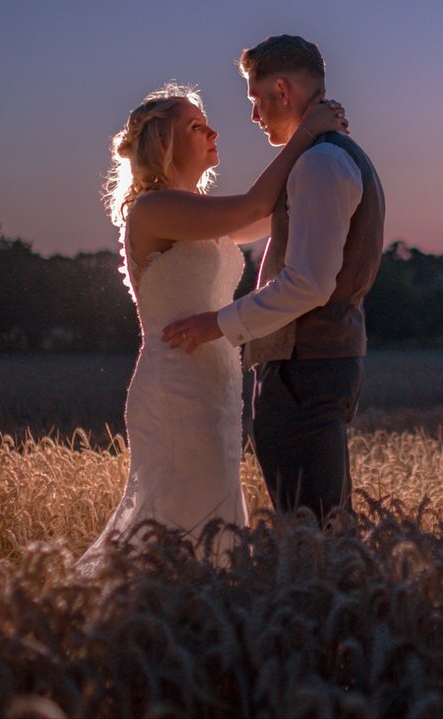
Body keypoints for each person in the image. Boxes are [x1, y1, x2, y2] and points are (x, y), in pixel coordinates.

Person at [77, 82, 347, 572]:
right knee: (179, 519)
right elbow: (252, 206)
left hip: (216, 385)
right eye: (196, 126)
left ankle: (194, 618)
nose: (213, 131)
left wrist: (317, 159)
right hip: (175, 386)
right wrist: (307, 132)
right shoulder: (153, 209)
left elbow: (266, 211)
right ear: (163, 142)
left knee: (210, 520)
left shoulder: (198, 213)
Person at [162, 35, 386, 526]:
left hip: (303, 364)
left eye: (254, 99)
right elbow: (244, 223)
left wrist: (217, 324)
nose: (253, 116)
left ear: (281, 90)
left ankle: (338, 602)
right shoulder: (317, 160)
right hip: (312, 361)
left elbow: (308, 284)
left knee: (311, 527)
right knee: (318, 524)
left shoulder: (321, 164)